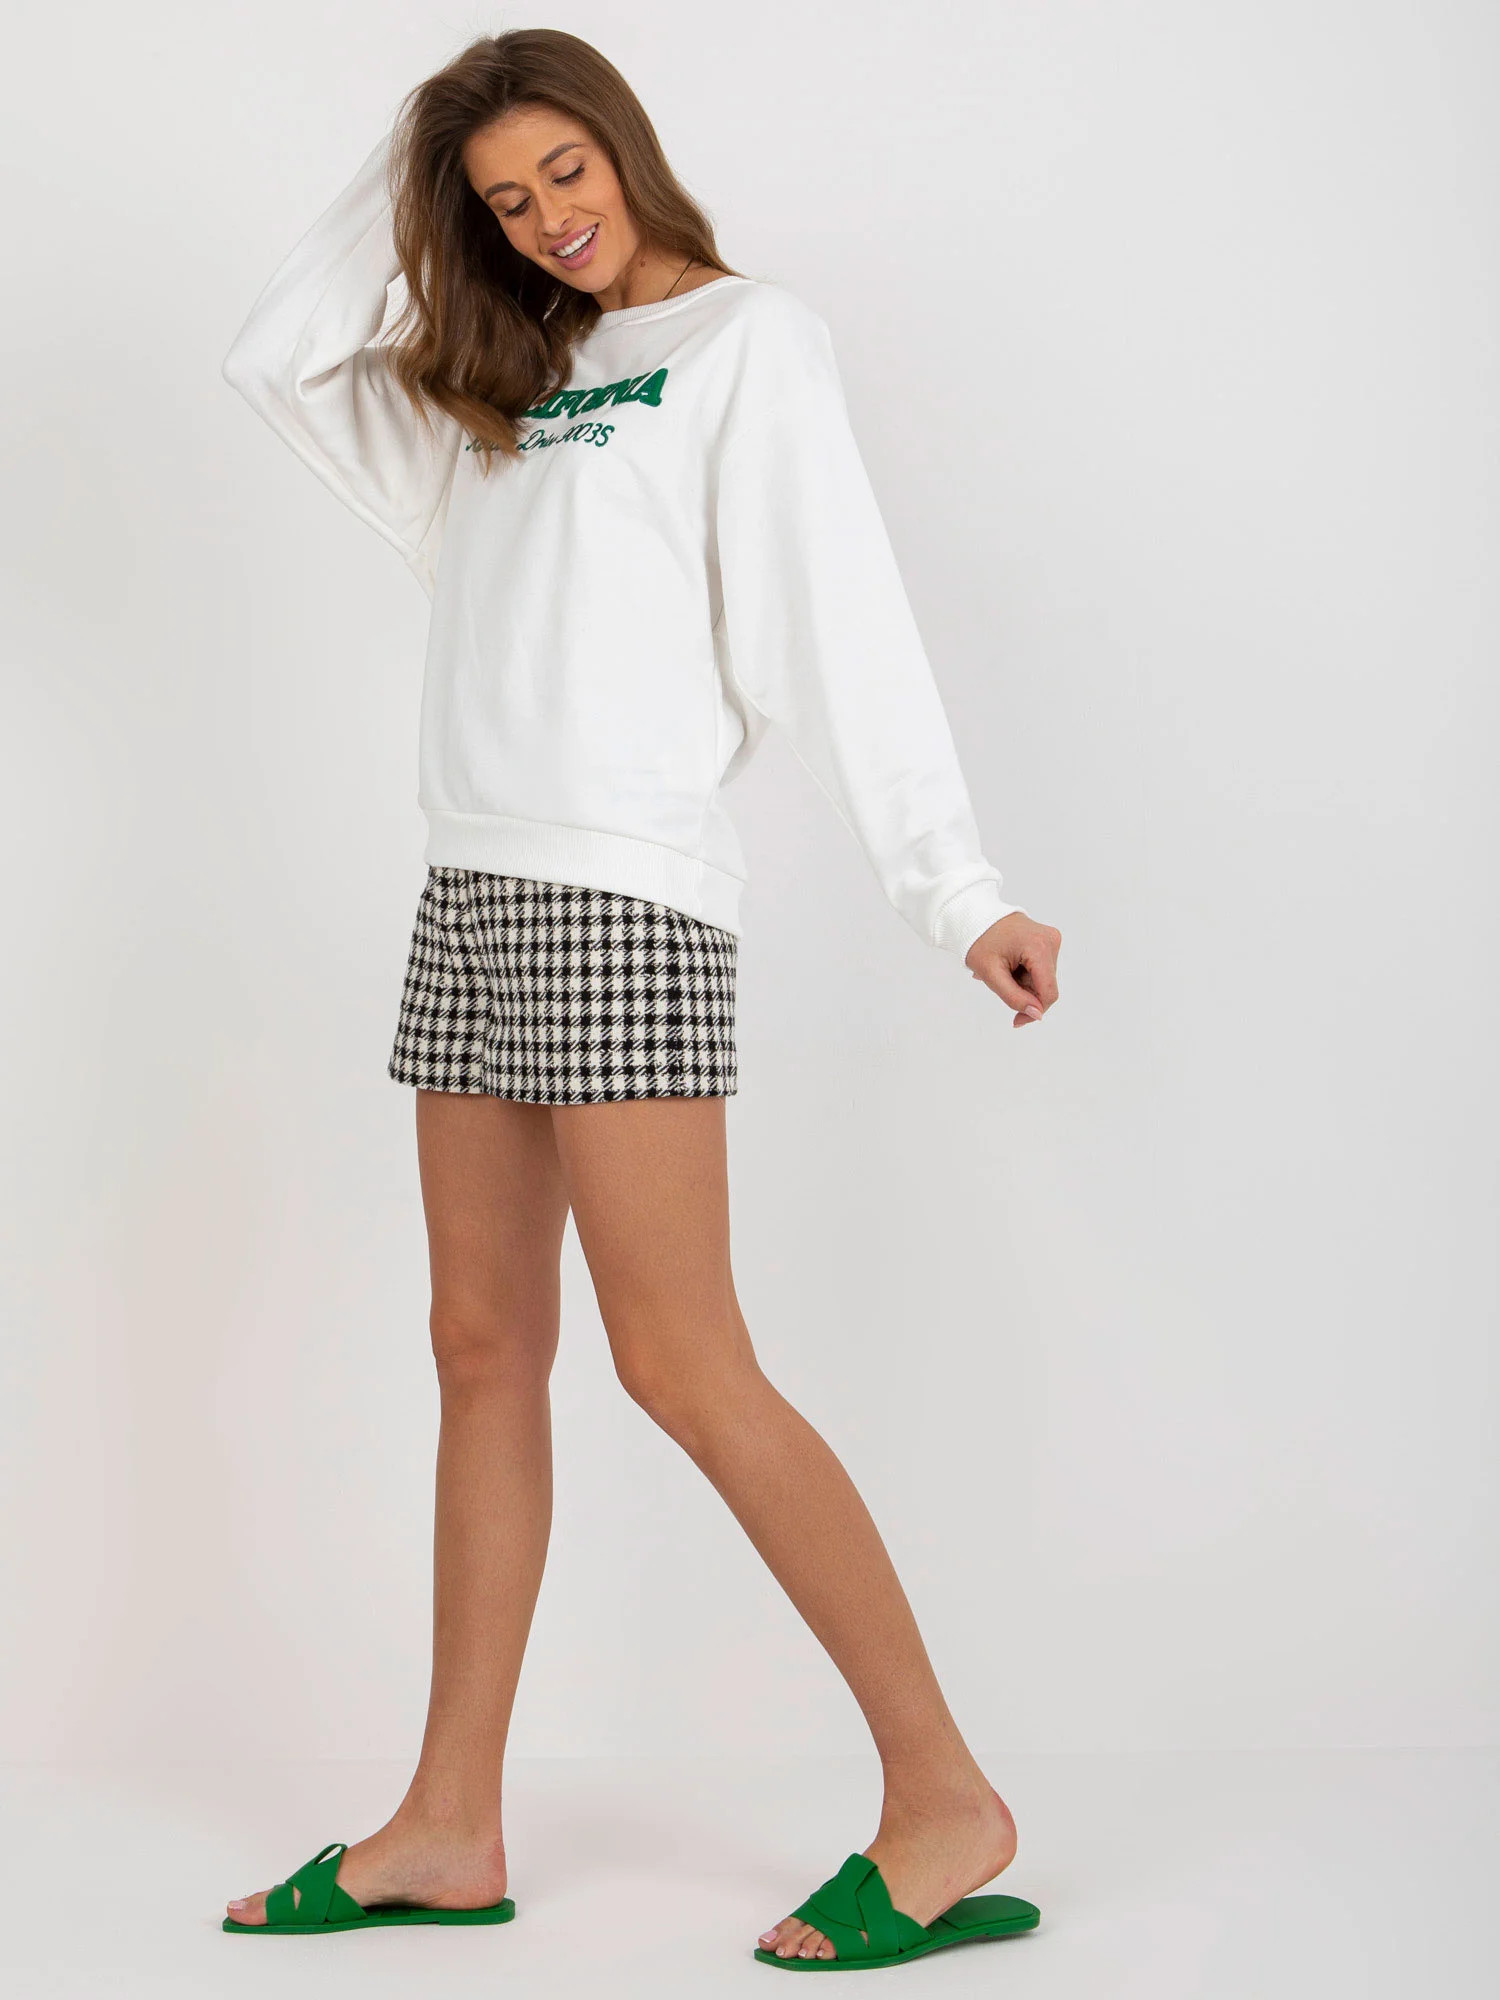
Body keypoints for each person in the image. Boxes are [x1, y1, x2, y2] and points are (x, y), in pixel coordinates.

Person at [218, 25, 1061, 1970]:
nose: (547, 218)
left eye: (565, 172)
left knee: (683, 1362)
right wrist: (426, 151)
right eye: (505, 199)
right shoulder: (505, 384)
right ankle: (450, 1820)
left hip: (625, 901)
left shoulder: (750, 343)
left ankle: (944, 1794)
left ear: (625, 147)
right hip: (470, 888)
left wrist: (957, 890)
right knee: (477, 1347)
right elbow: (274, 355)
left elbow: (843, 625)